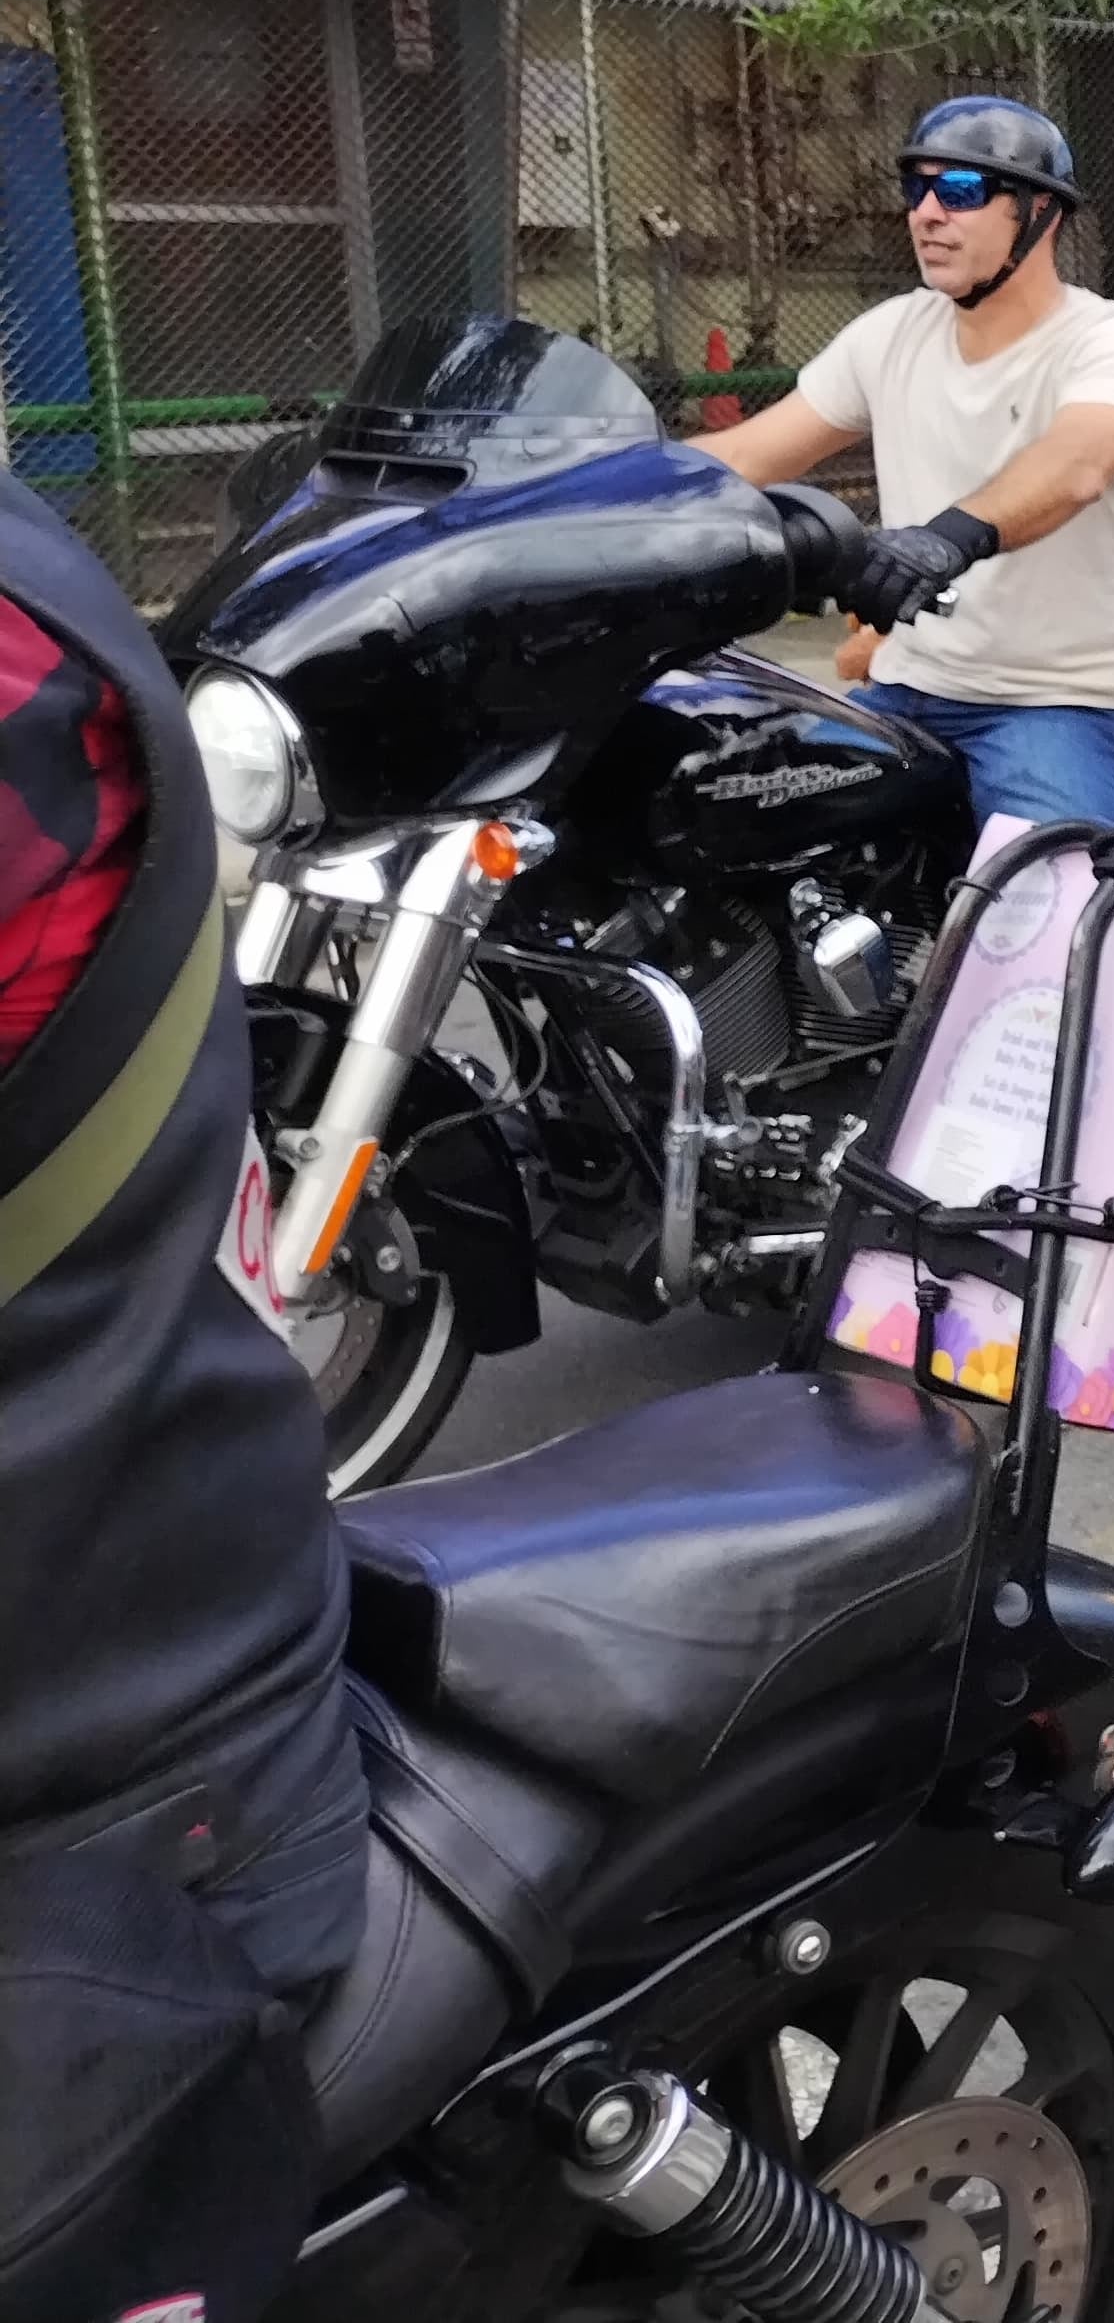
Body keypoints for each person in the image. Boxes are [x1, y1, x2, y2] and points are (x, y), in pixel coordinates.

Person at [0, 478, 367, 2323]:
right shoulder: (891, 343)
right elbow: (778, 435)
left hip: (105, 1836)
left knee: (1027, 806)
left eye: (969, 178)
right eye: (919, 169)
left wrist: (895, 556)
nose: (934, 201)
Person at [705, 98, 1114, 833]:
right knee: (738, 834)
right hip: (906, 687)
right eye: (915, 189)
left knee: (1039, 921)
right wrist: (577, 491)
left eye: (958, 191)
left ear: (1039, 211)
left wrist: (947, 537)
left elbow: (1080, 459)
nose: (926, 213)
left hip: (1057, 704)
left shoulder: (1113, 339)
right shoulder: (891, 334)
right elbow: (742, 455)